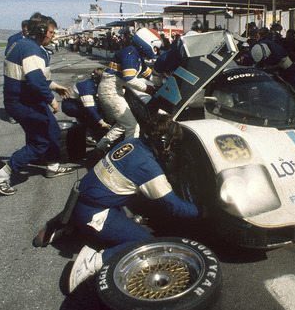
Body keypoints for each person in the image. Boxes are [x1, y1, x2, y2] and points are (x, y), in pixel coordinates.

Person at [67, 114, 201, 292]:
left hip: (81, 199)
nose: (170, 149)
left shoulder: (130, 144)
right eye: (170, 144)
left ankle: (72, 226)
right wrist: (204, 210)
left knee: (127, 222)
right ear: (162, 142)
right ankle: (92, 262)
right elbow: (174, 207)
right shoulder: (147, 167)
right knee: (145, 242)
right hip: (93, 213)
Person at [0, 16, 73, 196]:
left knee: (53, 131)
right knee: (39, 143)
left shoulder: (26, 45)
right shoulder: (30, 49)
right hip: (23, 102)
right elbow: (35, 81)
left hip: (29, 100)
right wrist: (52, 100)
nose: (53, 35)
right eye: (51, 32)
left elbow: (36, 77)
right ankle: (2, 175)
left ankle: (53, 166)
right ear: (41, 31)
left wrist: (55, 86)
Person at [95, 27, 160, 153]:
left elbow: (150, 76)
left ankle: (99, 147)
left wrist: (165, 81)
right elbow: (129, 79)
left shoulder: (136, 56)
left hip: (112, 90)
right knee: (133, 126)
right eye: (155, 47)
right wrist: (149, 89)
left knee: (123, 124)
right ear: (146, 42)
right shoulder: (130, 54)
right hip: (110, 91)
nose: (156, 50)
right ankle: (129, 156)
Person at [61, 67, 112, 144]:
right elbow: (90, 108)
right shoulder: (87, 87)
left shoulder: (92, 83)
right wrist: (101, 122)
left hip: (76, 103)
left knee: (94, 109)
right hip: (69, 106)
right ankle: (88, 136)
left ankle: (84, 124)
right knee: (93, 111)